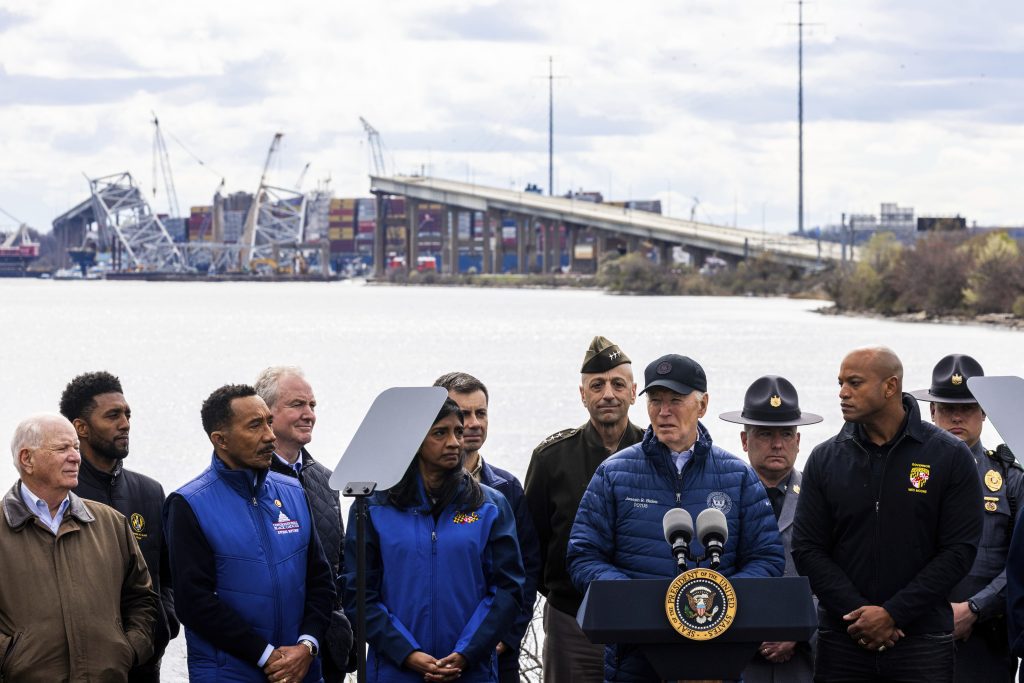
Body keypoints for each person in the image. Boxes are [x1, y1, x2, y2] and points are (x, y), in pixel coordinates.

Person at [568, 353, 786, 682]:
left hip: (718, 656)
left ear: (703, 404)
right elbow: (583, 554)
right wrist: (636, 600)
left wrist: (717, 600)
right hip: (636, 658)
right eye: (655, 401)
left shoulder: (737, 476)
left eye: (676, 400)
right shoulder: (614, 474)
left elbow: (767, 557)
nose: (664, 411)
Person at [792, 346, 984, 683]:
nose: (842, 393)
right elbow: (807, 549)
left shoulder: (949, 456)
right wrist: (860, 617)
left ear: (890, 387)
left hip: (921, 642)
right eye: (840, 383)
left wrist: (894, 614)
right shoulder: (825, 459)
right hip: (843, 642)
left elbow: (959, 551)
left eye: (854, 383)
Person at [342, 398, 525, 682]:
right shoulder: (372, 507)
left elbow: (507, 589)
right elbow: (359, 594)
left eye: (458, 432)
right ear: (414, 440)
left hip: (470, 671)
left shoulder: (491, 506)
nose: (454, 442)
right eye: (440, 433)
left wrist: (467, 653)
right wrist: (407, 653)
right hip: (395, 671)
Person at [164, 384, 335, 682]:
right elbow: (194, 603)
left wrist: (307, 646)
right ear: (221, 440)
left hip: (301, 669)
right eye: (255, 426)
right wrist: (266, 655)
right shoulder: (189, 504)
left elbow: (321, 582)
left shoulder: (293, 492)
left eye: (269, 422)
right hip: (230, 673)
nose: (270, 436)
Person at [523, 335, 645, 683]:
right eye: (597, 385)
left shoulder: (657, 455)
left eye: (617, 384)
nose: (608, 393)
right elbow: (534, 543)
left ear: (634, 392)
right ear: (583, 395)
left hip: (643, 620)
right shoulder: (552, 459)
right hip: (571, 622)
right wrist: (561, 595)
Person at [1, 413, 158, 681]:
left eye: (75, 447)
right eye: (62, 448)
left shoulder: (110, 523)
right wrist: (11, 658)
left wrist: (127, 649)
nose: (76, 457)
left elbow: (142, 599)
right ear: (27, 459)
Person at [909, 353, 1023, 682]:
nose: (957, 417)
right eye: (947, 408)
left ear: (985, 411)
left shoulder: (1010, 480)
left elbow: (1018, 565)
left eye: (968, 408)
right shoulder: (907, 475)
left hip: (986, 640)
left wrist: (975, 608)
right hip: (917, 636)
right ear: (931, 412)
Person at [59, 370, 178, 683]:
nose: (125, 424)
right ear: (80, 428)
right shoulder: (57, 497)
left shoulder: (149, 492)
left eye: (127, 414)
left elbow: (167, 574)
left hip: (145, 665)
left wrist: (164, 624)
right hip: (79, 668)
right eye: (112, 416)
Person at [433, 371, 540, 683]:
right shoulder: (406, 491)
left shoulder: (507, 488)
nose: (474, 422)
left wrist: (507, 636)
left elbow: (527, 569)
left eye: (481, 412)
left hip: (496, 653)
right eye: (463, 413)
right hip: (429, 653)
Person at [721, 375, 821, 683]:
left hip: (803, 660)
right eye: (765, 434)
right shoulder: (719, 499)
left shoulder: (821, 498)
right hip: (735, 656)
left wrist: (799, 628)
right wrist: (747, 632)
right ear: (744, 440)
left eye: (786, 434)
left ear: (798, 441)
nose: (777, 444)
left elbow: (836, 577)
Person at [256, 366, 354, 682]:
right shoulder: (248, 483)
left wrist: (344, 628)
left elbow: (339, 567)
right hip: (275, 653)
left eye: (312, 405)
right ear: (266, 413)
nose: (308, 414)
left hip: (327, 647)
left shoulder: (326, 480)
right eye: (297, 404)